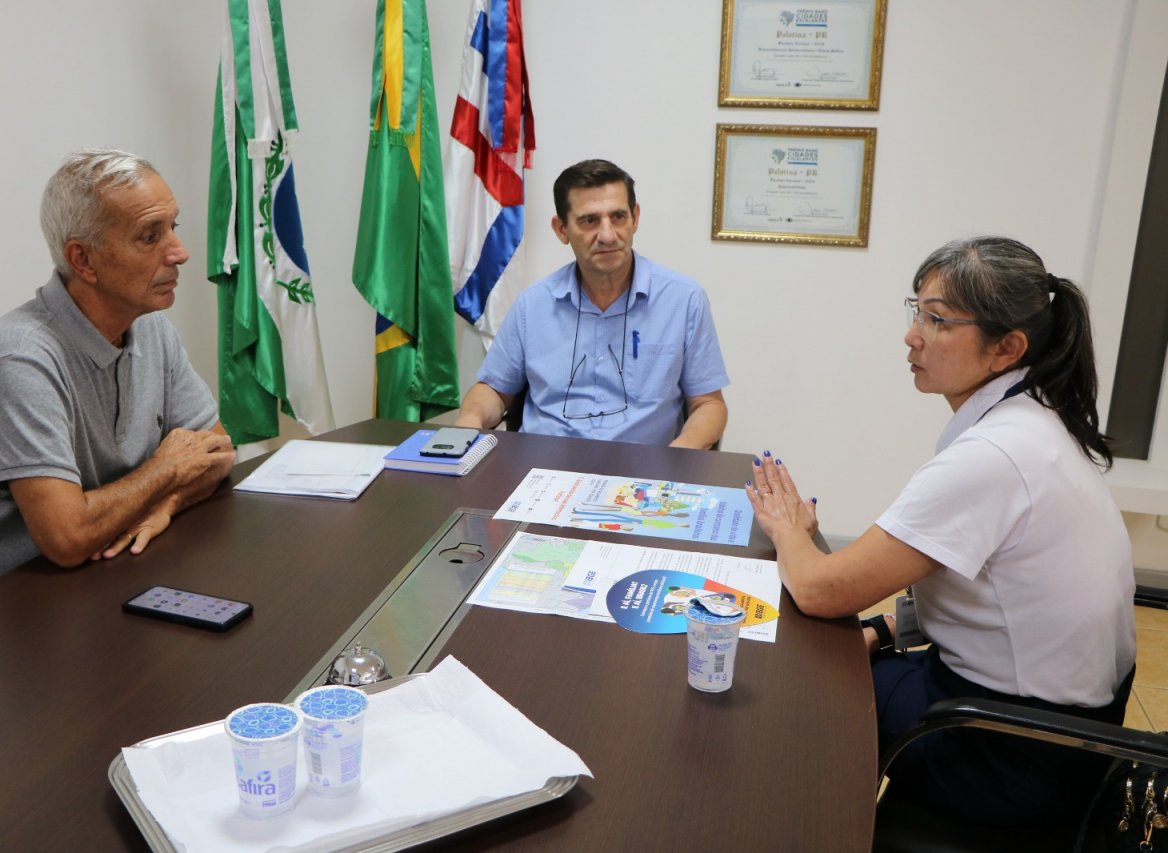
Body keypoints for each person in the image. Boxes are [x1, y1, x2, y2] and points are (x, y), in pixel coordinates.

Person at [745, 236, 1136, 827]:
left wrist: (787, 529)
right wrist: (884, 628)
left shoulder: (996, 455)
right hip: (1061, 726)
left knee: (804, 692)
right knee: (836, 660)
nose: (912, 335)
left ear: (1006, 347)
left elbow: (823, 590)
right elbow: (987, 594)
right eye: (917, 310)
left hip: (1009, 748)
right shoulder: (1035, 419)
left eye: (937, 320)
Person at [0, 149, 234, 593]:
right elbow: (67, 539)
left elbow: (218, 452)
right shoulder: (20, 357)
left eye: (172, 228)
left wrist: (167, 503)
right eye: (150, 236)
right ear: (83, 260)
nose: (179, 253)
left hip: (102, 576)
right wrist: (166, 470)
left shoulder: (151, 327)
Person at [454, 159, 729, 449]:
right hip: (542, 473)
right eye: (589, 221)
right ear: (561, 229)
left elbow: (709, 404)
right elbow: (494, 390)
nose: (608, 235)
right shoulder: (532, 305)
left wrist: (679, 455)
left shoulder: (684, 301)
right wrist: (469, 421)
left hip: (643, 478)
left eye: (618, 217)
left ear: (635, 218)